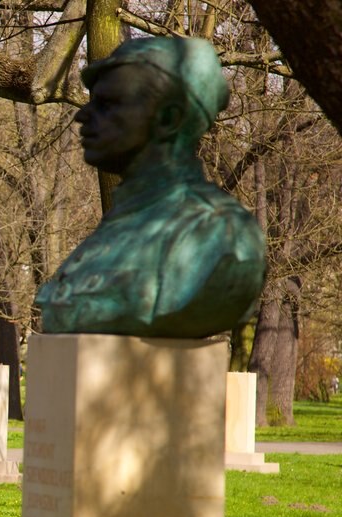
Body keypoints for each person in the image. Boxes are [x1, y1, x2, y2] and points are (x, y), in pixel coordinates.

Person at [35, 37, 266, 338]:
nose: (82, 115)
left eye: (107, 104)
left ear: (169, 118)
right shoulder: (114, 229)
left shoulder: (222, 236)